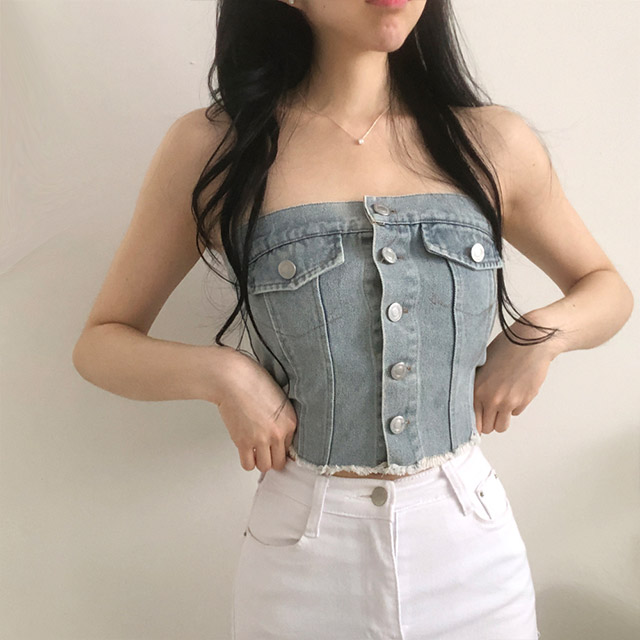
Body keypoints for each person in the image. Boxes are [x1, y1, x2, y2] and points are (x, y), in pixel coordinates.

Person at [72, 1, 634, 638]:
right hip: (304, 559)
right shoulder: (215, 148)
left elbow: (605, 287)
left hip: (469, 550)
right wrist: (224, 376)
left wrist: (538, 337)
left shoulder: (490, 141)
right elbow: (101, 342)